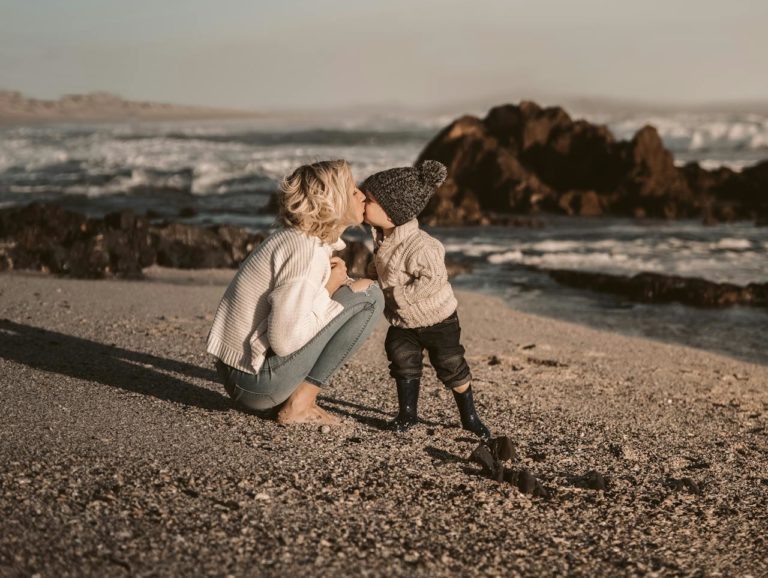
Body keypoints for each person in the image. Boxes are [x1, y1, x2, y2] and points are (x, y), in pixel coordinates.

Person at [207, 160, 384, 425]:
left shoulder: (301, 239)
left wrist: (330, 289)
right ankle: (300, 404)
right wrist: (329, 289)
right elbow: (285, 341)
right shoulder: (305, 251)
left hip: (244, 373)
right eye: (352, 190)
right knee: (369, 297)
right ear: (331, 200)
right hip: (255, 382)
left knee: (354, 293)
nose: (362, 194)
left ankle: (295, 399)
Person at [362, 160, 491, 440]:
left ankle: (469, 415)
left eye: (369, 200)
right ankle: (407, 413)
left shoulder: (422, 246)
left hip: (438, 319)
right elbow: (384, 266)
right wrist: (371, 275)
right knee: (401, 357)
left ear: (391, 211)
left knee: (450, 365)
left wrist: (396, 295)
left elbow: (432, 279)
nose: (362, 201)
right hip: (403, 320)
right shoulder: (383, 237)